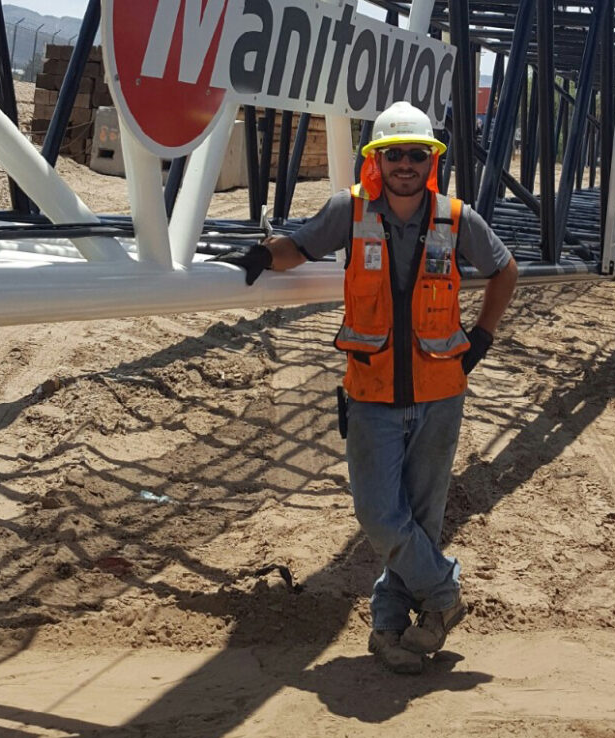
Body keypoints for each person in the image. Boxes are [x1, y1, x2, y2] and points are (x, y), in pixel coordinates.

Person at [222, 101, 518, 674]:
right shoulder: (349, 210)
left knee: (421, 520)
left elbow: (504, 270)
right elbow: (299, 247)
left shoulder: (457, 217)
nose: (405, 164)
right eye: (393, 154)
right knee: (380, 515)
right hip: (372, 393)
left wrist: (481, 337)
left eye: (416, 154)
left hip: (439, 393)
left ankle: (390, 630)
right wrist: (260, 254)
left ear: (431, 161)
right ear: (375, 161)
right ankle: (444, 592)